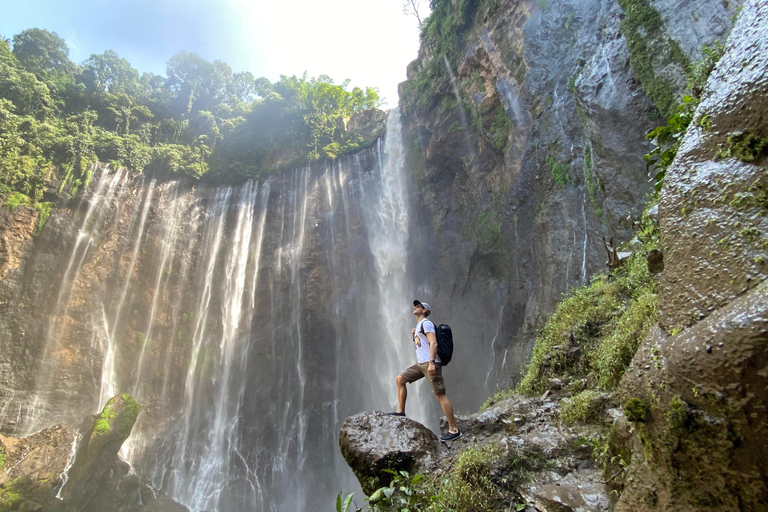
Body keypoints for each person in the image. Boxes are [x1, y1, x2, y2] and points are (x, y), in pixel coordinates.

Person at [388, 299, 461, 442]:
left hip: (429, 363)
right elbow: (423, 345)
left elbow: (433, 343)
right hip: (421, 364)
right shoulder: (419, 326)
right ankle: (400, 411)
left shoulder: (426, 323)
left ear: (424, 311)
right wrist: (414, 337)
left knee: (440, 394)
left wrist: (432, 362)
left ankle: (454, 430)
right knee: (400, 379)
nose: (415, 307)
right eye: (415, 306)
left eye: (419, 306)